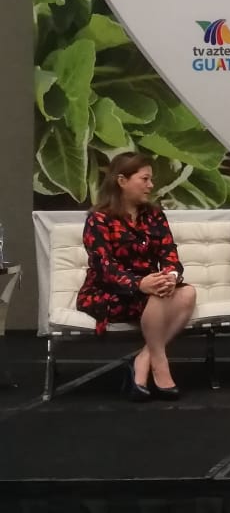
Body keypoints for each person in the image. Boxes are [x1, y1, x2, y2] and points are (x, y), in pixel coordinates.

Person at [77, 152, 197, 401]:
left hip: (150, 288)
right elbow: (104, 268)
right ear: (122, 181)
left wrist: (170, 276)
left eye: (150, 179)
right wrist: (139, 283)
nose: (151, 185)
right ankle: (160, 365)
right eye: (144, 179)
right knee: (157, 297)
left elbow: (169, 254)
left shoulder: (154, 216)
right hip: (108, 291)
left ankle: (143, 359)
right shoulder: (99, 219)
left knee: (187, 292)